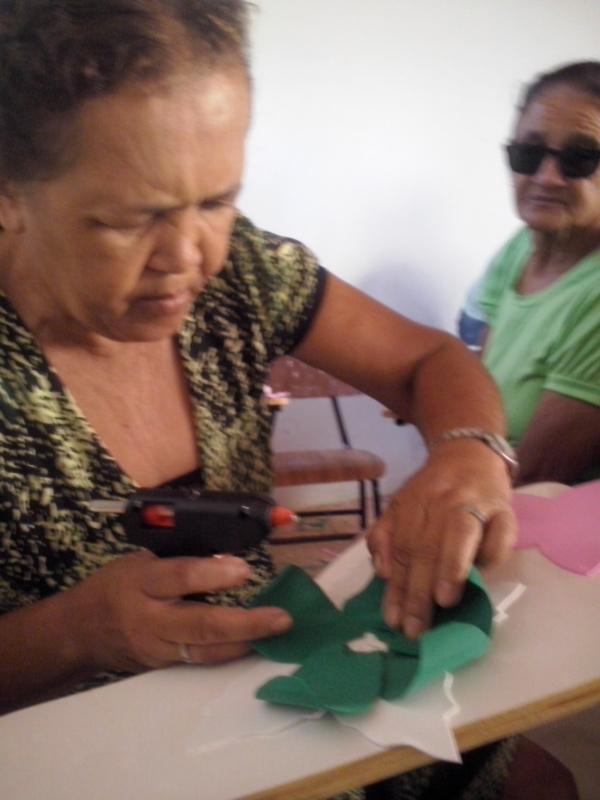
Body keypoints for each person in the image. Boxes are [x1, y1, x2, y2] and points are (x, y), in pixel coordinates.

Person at [0, 1, 541, 797]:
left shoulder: (242, 271)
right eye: (129, 221)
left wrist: (467, 452)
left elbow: (428, 359)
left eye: (218, 200)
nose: (191, 256)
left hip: (267, 716)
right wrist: (77, 633)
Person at [461, 61, 600, 486]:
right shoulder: (521, 246)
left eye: (580, 158)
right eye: (528, 153)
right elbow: (480, 386)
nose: (546, 177)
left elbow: (536, 474)